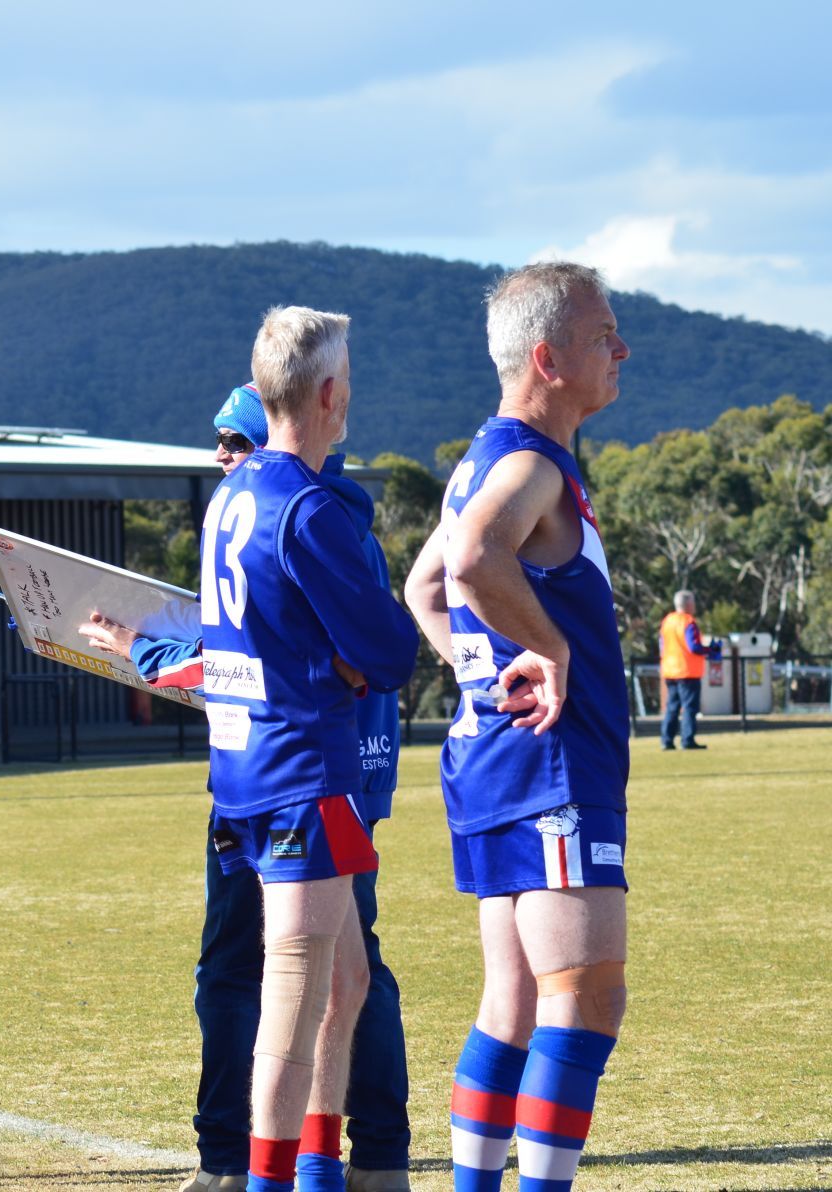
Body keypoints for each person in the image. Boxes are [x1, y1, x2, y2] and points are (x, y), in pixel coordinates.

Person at [84, 383, 413, 1192]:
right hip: (294, 774)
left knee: (290, 975)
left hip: (299, 776)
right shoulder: (283, 509)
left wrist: (140, 651)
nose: (224, 456)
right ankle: (344, 1159)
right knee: (333, 973)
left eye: (238, 439)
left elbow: (274, 665)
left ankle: (277, 1163)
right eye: (223, 442)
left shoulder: (302, 514)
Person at [402, 262, 631, 1192]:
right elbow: (469, 561)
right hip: (551, 768)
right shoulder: (531, 462)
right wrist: (549, 650)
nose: (622, 349)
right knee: (586, 998)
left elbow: (425, 586)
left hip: (499, 762)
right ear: (548, 359)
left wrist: (482, 674)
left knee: (517, 1001)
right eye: (603, 334)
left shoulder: (481, 461)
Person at [199, 310, 418, 1192]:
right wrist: (346, 656)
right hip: (303, 774)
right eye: (348, 380)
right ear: (330, 395)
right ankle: (273, 1180)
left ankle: (322, 1165)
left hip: (244, 772)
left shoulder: (233, 490)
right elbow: (390, 653)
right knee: (294, 989)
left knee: (345, 979)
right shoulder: (309, 504)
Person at [658, 590, 717, 750]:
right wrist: (710, 650)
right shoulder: (688, 622)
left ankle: (666, 740)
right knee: (690, 707)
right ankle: (687, 740)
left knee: (672, 707)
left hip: (669, 671)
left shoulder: (667, 621)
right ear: (689, 604)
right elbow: (694, 646)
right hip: (687, 671)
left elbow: (661, 645)